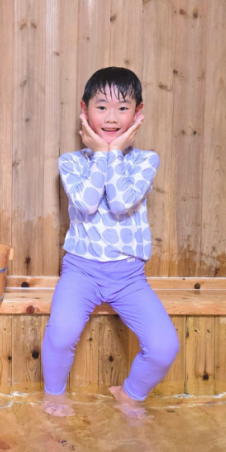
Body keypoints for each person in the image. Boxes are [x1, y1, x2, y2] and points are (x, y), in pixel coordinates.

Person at [41, 67, 179, 419]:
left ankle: (129, 394)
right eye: (101, 107)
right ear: (84, 110)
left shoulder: (146, 160)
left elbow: (120, 203)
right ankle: (54, 394)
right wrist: (103, 154)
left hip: (129, 277)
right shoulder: (71, 162)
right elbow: (87, 203)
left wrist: (112, 152)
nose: (112, 118)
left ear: (138, 112)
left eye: (123, 108)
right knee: (60, 336)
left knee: (164, 347)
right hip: (81, 272)